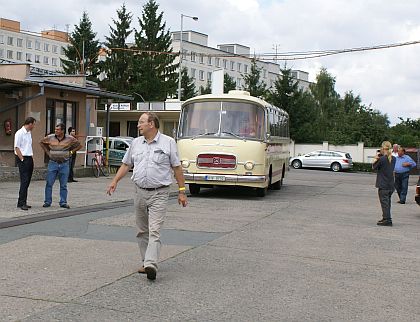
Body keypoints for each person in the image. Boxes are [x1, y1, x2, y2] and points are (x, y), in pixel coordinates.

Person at [106, 112, 188, 281]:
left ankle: (151, 264)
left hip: (160, 193)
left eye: (141, 122)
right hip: (139, 191)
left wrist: (181, 191)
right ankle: (145, 262)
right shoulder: (136, 143)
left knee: (154, 230)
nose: (138, 125)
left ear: (152, 124)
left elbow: (177, 168)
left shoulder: (168, 143)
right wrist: (115, 181)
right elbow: (126, 164)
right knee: (142, 230)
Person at [40, 123, 82, 209]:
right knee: (49, 183)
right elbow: (41, 143)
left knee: (63, 184)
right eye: (55, 129)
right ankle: (47, 201)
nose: (56, 131)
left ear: (62, 131)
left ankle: (63, 202)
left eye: (58, 130)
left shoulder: (70, 138)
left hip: (64, 163)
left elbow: (79, 145)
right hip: (53, 163)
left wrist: (70, 152)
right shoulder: (50, 137)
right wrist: (48, 152)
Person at [14, 117, 36, 210]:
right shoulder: (19, 133)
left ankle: (23, 201)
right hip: (23, 158)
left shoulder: (29, 133)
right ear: (30, 124)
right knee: (24, 181)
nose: (34, 126)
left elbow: (28, 146)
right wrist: (22, 160)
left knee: (27, 181)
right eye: (34, 124)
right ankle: (21, 203)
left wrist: (31, 158)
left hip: (29, 157)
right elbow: (16, 147)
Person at [372, 141, 396, 226]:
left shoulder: (381, 159)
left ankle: (387, 220)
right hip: (391, 184)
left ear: (383, 148)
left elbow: (374, 167)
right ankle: (386, 217)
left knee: (384, 203)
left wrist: (376, 159)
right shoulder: (394, 158)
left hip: (383, 185)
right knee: (387, 203)